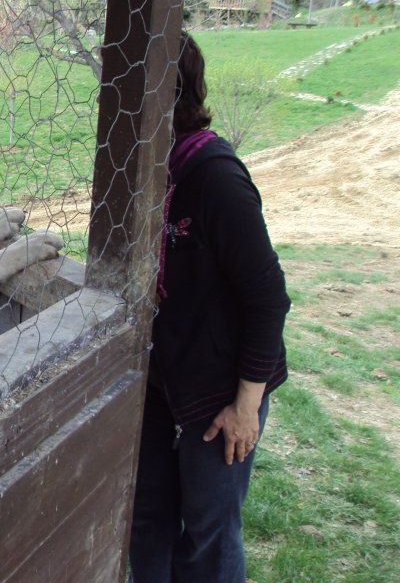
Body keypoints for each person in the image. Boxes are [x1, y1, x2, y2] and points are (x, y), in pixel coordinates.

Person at [128, 32, 291, 583]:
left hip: (223, 390)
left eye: (132, 92)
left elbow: (269, 298)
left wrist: (246, 406)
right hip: (163, 377)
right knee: (147, 516)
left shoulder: (216, 177)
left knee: (208, 531)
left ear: (166, 97)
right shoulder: (150, 171)